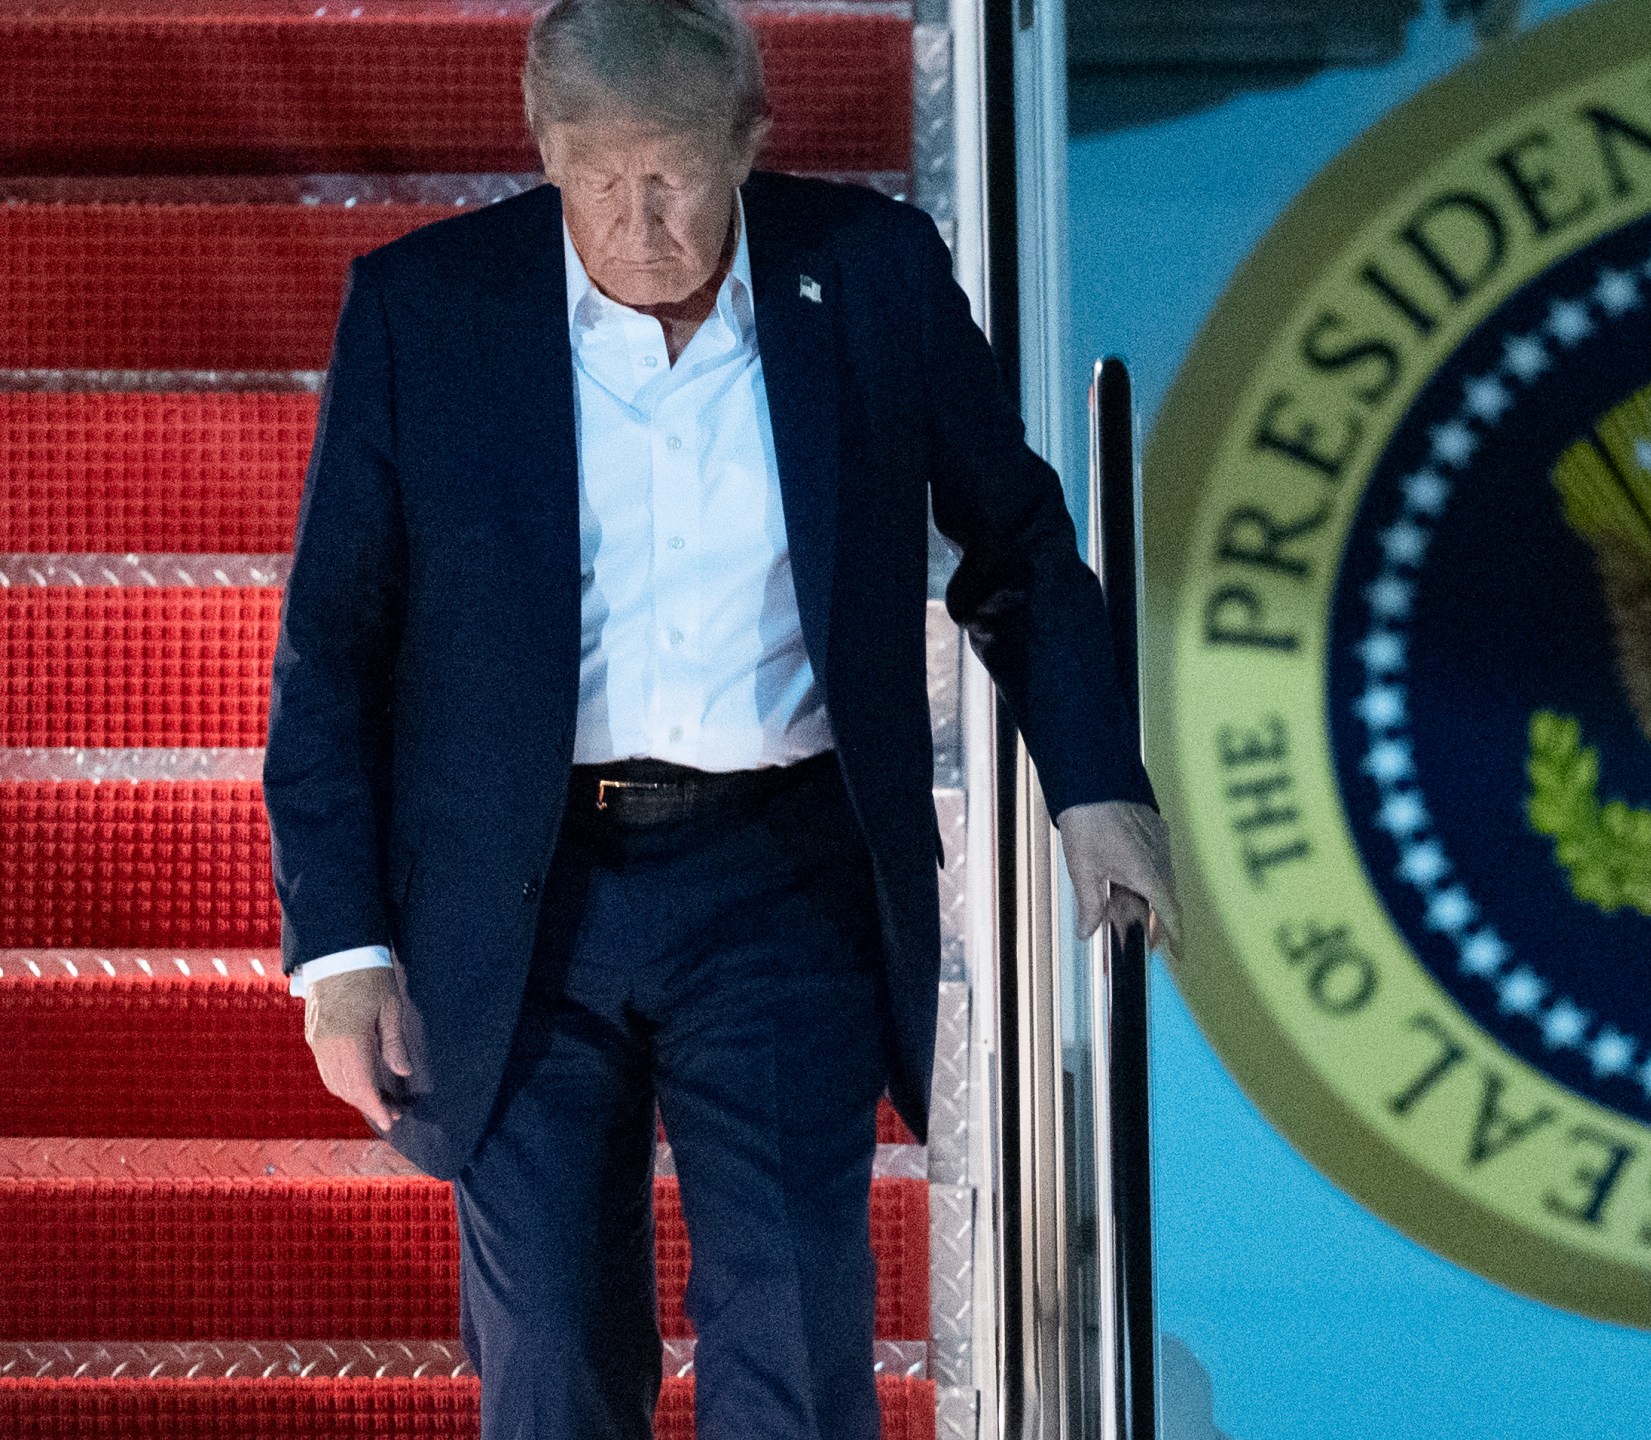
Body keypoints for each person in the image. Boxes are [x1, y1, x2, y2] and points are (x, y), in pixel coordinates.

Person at [261, 0, 1178, 1435]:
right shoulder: (424, 311)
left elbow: (1017, 545)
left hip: (780, 881)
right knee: (553, 1348)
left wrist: (1097, 789)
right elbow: (332, 651)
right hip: (519, 892)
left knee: (797, 1322)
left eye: (678, 172)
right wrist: (342, 949)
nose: (642, 219)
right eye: (600, 173)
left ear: (752, 139)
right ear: (542, 145)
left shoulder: (870, 275)